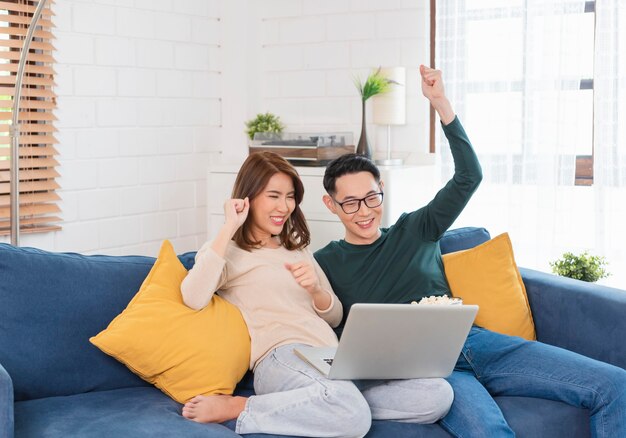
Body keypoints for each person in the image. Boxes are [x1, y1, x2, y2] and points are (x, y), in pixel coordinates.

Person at [314, 65, 626, 437]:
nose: (364, 211)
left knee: (614, 385)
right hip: (428, 370)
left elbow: (469, 176)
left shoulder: (417, 227)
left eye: (371, 197)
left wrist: (441, 104)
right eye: (350, 203)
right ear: (330, 205)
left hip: (478, 342)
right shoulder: (325, 262)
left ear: (381, 189)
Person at [179, 151, 454, 437]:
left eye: (290, 197)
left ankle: (328, 406)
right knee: (352, 414)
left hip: (331, 356)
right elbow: (192, 296)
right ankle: (243, 406)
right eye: (274, 196)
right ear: (248, 198)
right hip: (281, 356)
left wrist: (315, 290)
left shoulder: (297, 249)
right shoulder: (227, 250)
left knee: (436, 394)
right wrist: (229, 227)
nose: (284, 207)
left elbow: (334, 314)